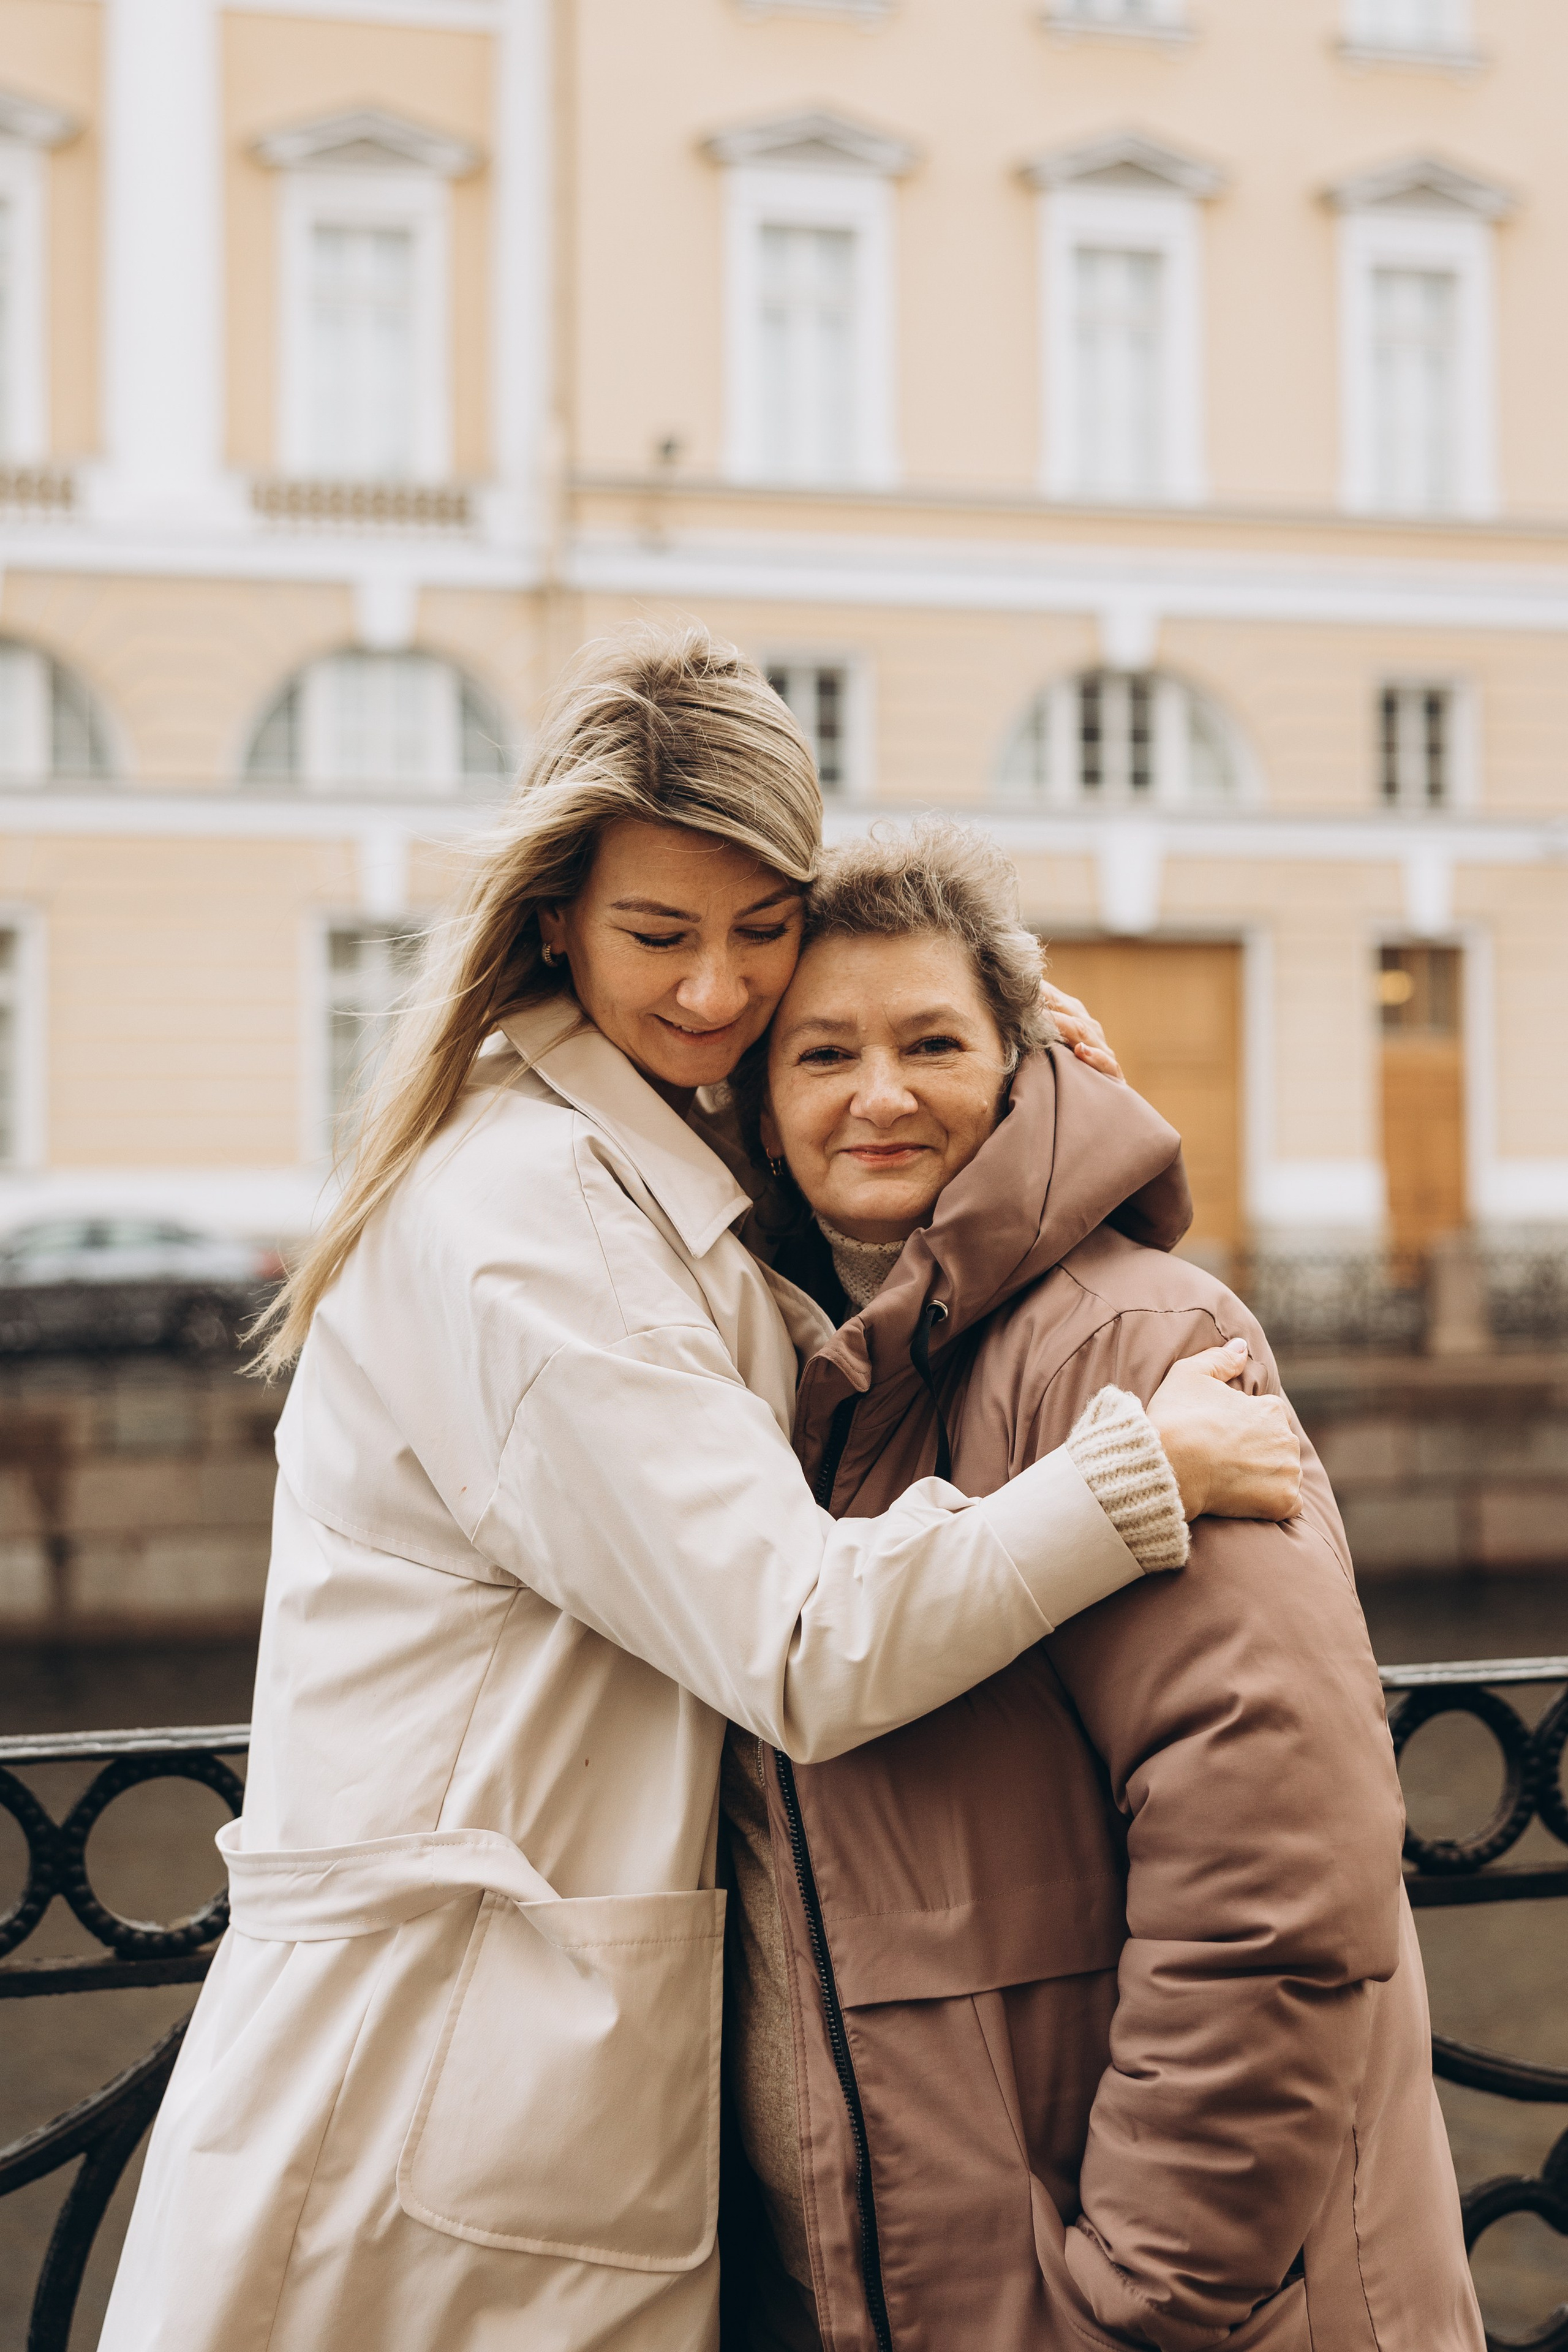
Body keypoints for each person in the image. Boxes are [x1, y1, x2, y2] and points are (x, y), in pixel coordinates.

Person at [99, 630, 1299, 2352]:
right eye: (661, 936)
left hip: (504, 2082)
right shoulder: (527, 1225)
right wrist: (1136, 1475)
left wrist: (1005, 1044)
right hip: (431, 2110)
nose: (720, 992)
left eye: (765, 930)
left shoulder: (642, 1162)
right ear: (554, 923)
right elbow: (799, 1641)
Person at [720, 818, 1482, 2352]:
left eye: (930, 1041)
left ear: (1019, 1067)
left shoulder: (1125, 1341)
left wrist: (1148, 2290)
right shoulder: (799, 1385)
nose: (877, 1094)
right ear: (754, 1097)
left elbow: (1272, 1856)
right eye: (820, 1055)